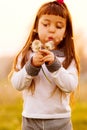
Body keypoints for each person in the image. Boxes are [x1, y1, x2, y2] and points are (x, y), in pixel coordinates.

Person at [10, 0, 80, 130]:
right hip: (31, 119)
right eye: (46, 24)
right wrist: (31, 67)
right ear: (36, 26)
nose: (52, 30)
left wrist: (55, 65)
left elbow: (70, 86)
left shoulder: (68, 58)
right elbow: (17, 84)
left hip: (60, 120)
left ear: (65, 32)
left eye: (59, 26)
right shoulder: (26, 55)